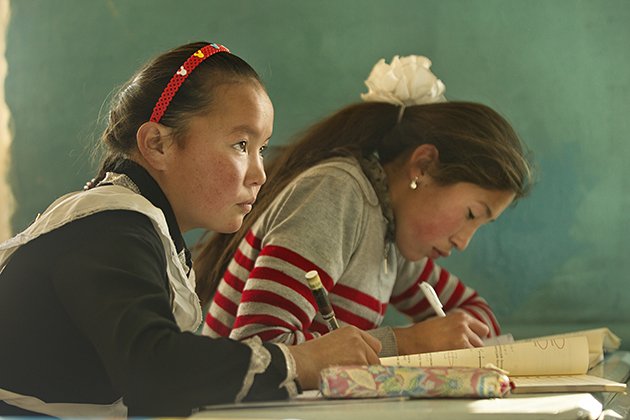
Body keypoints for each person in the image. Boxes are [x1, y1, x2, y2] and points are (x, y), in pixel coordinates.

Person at [0, 41, 382, 418]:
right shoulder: (109, 229)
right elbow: (157, 372)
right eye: (241, 144)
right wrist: (299, 362)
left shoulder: (138, 228)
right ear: (157, 145)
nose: (259, 174)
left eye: (261, 149)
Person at [196, 55, 533, 357]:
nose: (463, 241)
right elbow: (258, 349)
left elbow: (474, 311)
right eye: (471, 214)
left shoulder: (391, 234)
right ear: (423, 166)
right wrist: (408, 343)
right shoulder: (337, 195)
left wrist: (458, 334)